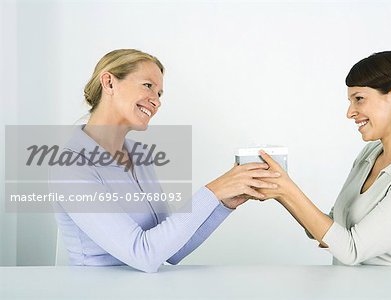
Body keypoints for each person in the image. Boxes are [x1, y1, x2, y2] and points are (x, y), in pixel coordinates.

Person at [49, 49, 280, 273]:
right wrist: (214, 190)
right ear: (109, 83)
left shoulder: (139, 158)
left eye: (159, 94)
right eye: (148, 86)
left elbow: (171, 251)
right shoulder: (71, 165)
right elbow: (144, 254)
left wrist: (225, 202)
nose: (156, 102)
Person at [256, 51, 391, 266]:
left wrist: (287, 190)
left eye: (359, 99)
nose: (350, 112)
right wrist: (278, 189)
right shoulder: (371, 154)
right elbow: (332, 230)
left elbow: (351, 249)